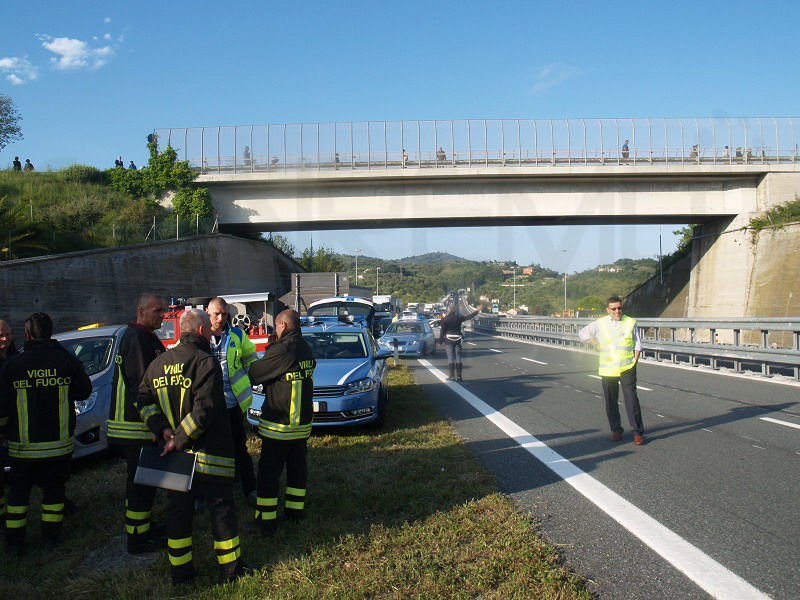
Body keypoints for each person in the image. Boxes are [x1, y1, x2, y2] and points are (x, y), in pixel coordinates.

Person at [136, 309, 246, 585]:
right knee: (221, 510)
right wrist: (179, 438)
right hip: (210, 457)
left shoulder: (158, 364)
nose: (212, 331)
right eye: (209, 328)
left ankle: (181, 575)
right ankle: (231, 571)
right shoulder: (205, 362)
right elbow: (204, 410)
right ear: (200, 331)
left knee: (178, 514)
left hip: (176, 461)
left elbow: (142, 400)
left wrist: (162, 429)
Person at [0, 312, 92, 555]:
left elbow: (2, 406)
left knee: (18, 497)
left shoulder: (13, 365)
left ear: (27, 334)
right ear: (50, 333)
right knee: (53, 492)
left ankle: (13, 545)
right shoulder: (66, 360)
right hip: (58, 446)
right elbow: (84, 391)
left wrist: (2, 432)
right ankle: (51, 539)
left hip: (22, 448)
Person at [107, 292, 168, 554]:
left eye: (163, 310)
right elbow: (141, 390)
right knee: (140, 484)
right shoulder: (136, 339)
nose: (162, 315)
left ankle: (144, 526)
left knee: (145, 482)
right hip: (135, 427)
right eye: (156, 310)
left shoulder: (145, 337)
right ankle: (137, 538)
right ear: (141, 311)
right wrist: (157, 426)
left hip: (140, 426)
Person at [248, 309, 315, 536]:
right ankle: (295, 513)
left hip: (279, 424)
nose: (275, 330)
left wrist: (266, 354)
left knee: (268, 473)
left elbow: (256, 373)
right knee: (298, 469)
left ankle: (265, 522)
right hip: (301, 425)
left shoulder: (282, 350)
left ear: (283, 326)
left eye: (276, 326)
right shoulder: (305, 347)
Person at [205, 298, 258, 503]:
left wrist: (259, 373)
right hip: (208, 405)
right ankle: (207, 493)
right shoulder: (200, 334)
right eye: (216, 313)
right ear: (207, 312)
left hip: (233, 403)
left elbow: (250, 358)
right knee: (208, 450)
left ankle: (250, 489)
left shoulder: (236, 334)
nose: (220, 318)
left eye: (224, 314)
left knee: (240, 449)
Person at [579, 296, 645, 445]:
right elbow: (582, 333)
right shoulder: (600, 323)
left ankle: (637, 432)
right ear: (607, 310)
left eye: (619, 308)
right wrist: (594, 341)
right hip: (608, 370)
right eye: (613, 308)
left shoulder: (630, 322)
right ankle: (616, 430)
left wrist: (634, 362)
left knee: (632, 401)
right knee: (611, 402)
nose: (617, 311)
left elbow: (637, 344)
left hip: (627, 367)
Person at [0, 320, 18, 526]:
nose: (5, 340)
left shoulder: (15, 355)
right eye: (0, 336)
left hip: (15, 424)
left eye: (8, 335)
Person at [437, 303, 484, 381]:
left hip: (449, 340)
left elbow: (442, 331)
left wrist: (440, 341)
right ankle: (459, 376)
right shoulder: (459, 317)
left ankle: (452, 376)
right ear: (455, 310)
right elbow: (469, 316)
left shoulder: (445, 319)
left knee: (450, 357)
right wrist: (477, 310)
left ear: (448, 309)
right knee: (458, 357)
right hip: (458, 339)